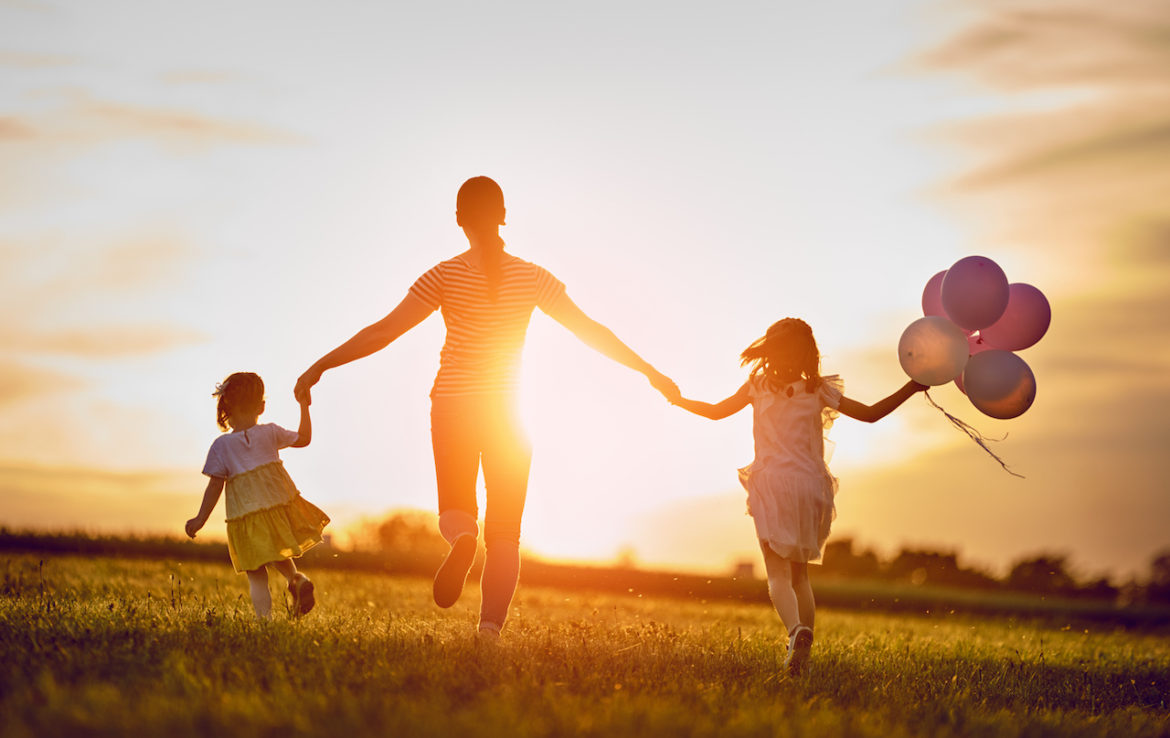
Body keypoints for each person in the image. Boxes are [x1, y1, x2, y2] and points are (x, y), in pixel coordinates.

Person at [294, 176, 677, 638]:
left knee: (456, 511)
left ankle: (461, 540)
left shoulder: (443, 274)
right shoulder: (534, 277)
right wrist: (649, 370)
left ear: (458, 221)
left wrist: (321, 366)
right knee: (506, 533)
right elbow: (590, 330)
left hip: (453, 403)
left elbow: (383, 332)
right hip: (509, 413)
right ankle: (488, 634)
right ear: (503, 217)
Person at [670, 318, 926, 675]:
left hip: (771, 485)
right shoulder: (818, 389)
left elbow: (715, 412)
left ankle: (796, 633)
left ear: (770, 349)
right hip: (810, 488)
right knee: (799, 577)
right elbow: (870, 415)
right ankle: (802, 656)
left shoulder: (757, 386)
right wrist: (912, 386)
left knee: (776, 574)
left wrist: (678, 400)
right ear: (809, 351)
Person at [186, 372, 330, 620]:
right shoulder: (271, 432)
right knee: (279, 553)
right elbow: (304, 438)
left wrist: (200, 518)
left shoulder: (221, 447)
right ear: (262, 406)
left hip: (247, 516)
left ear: (225, 406)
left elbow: (214, 487)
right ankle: (298, 580)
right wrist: (304, 406)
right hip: (277, 511)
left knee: (257, 576)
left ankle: (265, 625)